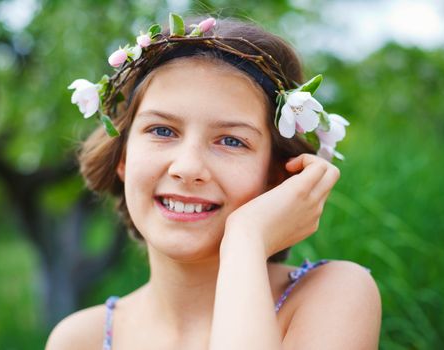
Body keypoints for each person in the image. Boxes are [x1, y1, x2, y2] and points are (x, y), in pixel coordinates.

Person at [47, 13, 381, 350]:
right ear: (123, 157)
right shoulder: (78, 340)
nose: (188, 167)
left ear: (277, 176)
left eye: (231, 141)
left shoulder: (333, 295)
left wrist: (245, 238)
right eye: (162, 130)